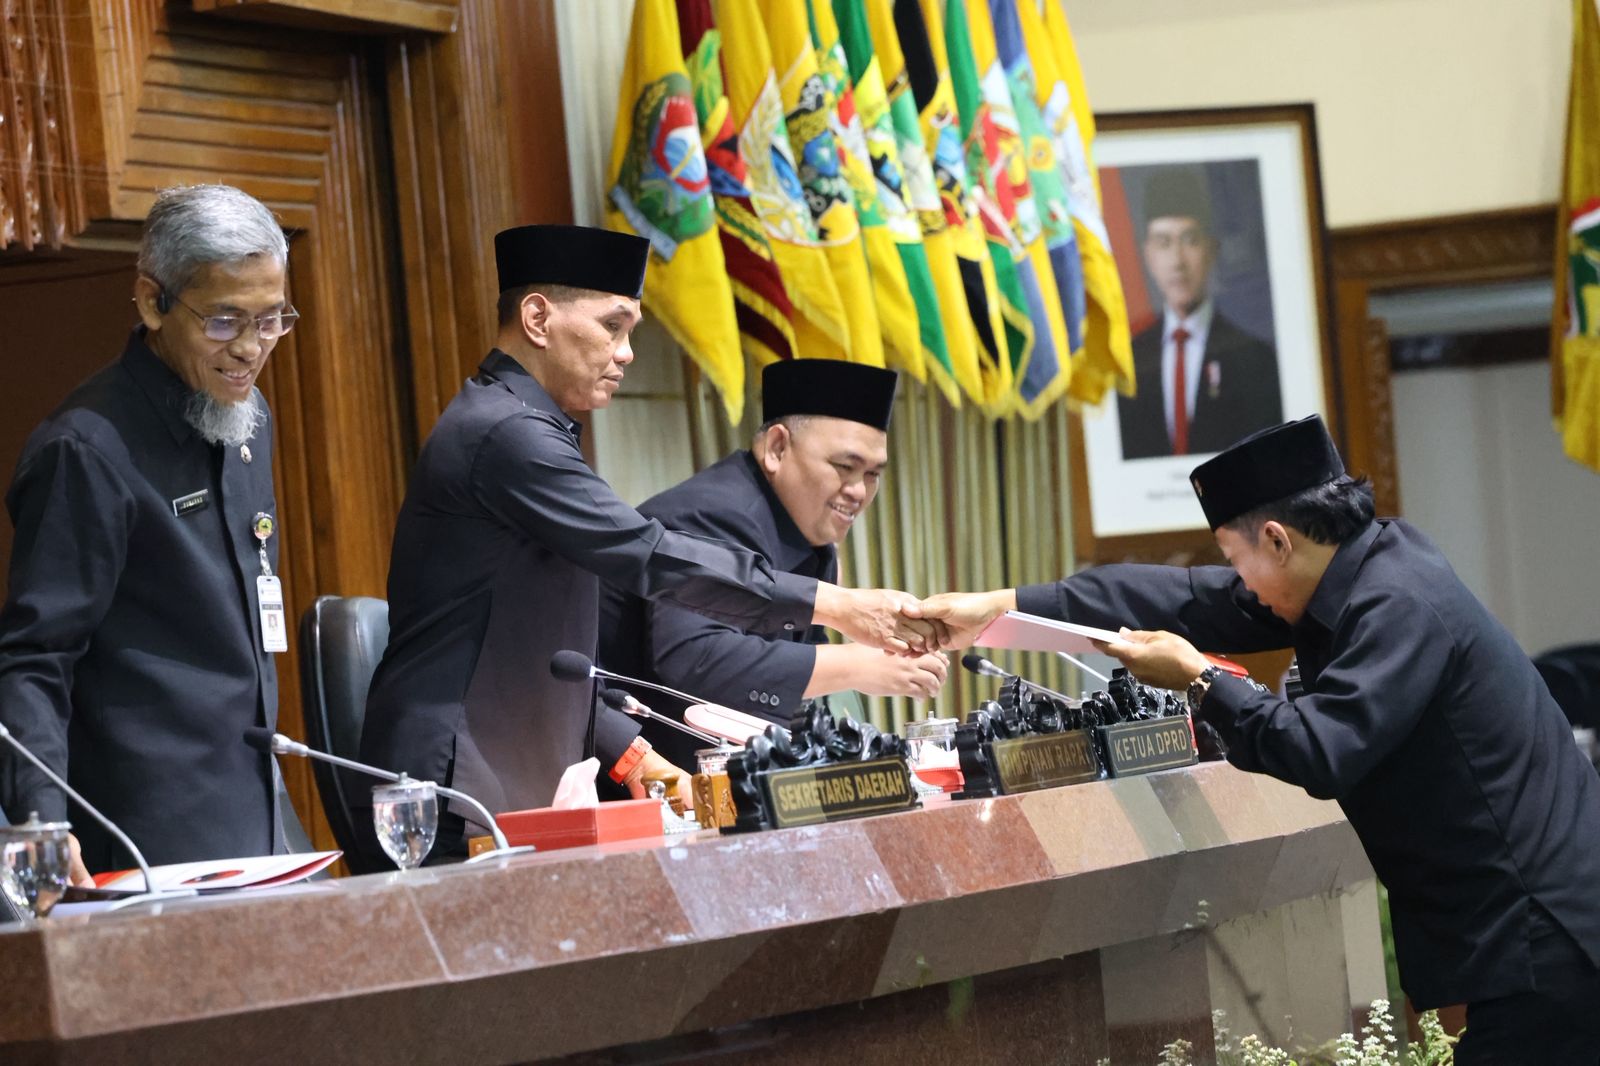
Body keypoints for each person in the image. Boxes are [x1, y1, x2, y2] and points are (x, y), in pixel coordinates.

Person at [920, 415, 1600, 1064]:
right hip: (1527, 935)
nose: (1238, 582)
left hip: (1549, 934)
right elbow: (1181, 597)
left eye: (1234, 558)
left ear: (1277, 539)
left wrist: (1201, 680)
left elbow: (1319, 749)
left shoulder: (1397, 601)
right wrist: (1003, 605)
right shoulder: (1360, 566)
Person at [360, 225, 936, 857]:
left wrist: (636, 757)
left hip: (502, 771)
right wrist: (838, 606)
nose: (627, 351)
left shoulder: (535, 428)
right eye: (613, 326)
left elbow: (553, 648)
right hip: (446, 786)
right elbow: (649, 553)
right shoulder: (504, 432)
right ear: (536, 317)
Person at [0, 184, 302, 877]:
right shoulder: (87, 452)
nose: (251, 350)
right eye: (224, 321)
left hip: (260, 812)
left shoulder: (248, 420)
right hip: (145, 837)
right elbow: (35, 657)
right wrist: (43, 819)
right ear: (151, 301)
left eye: (272, 319)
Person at [599, 359, 948, 768]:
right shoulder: (708, 513)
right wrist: (856, 664)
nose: (858, 491)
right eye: (844, 467)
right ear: (777, 448)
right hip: (638, 777)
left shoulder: (811, 534)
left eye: (873, 474)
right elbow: (694, 659)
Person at [1117, 166, 1282, 460]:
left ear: (1212, 249)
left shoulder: (1254, 358)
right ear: (1148, 255)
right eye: (1164, 243)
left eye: (1190, 240)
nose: (1177, 261)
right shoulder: (1128, 361)